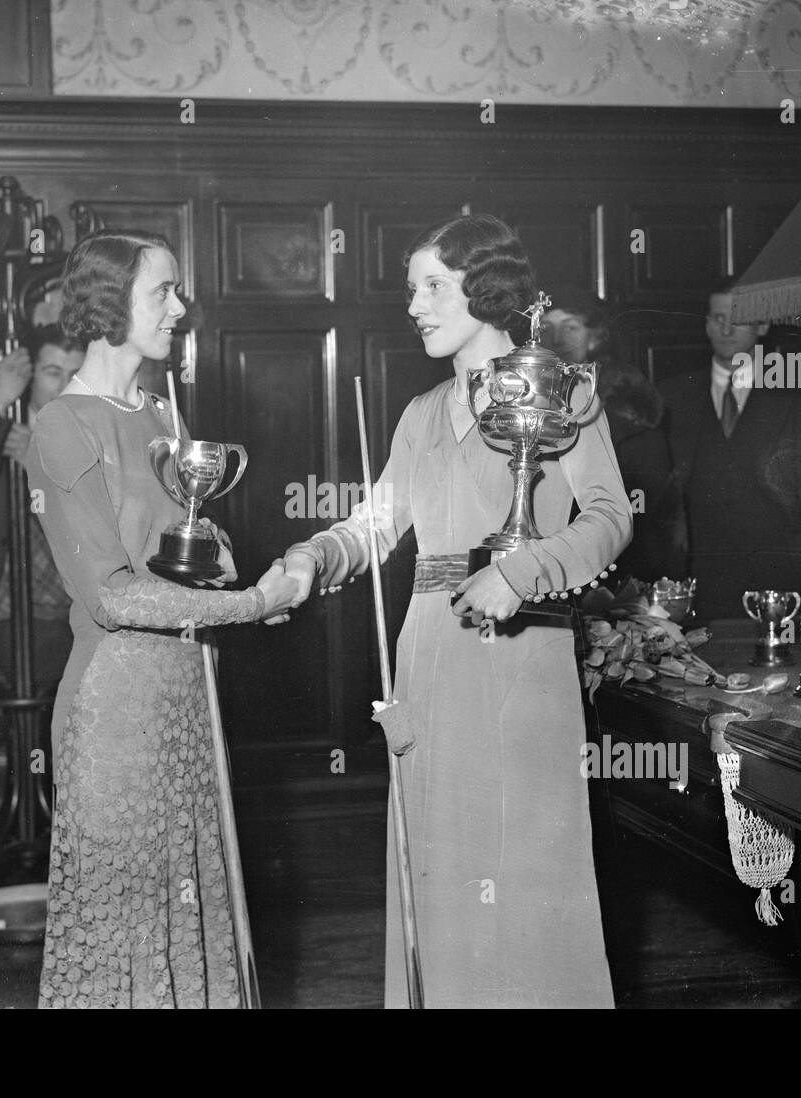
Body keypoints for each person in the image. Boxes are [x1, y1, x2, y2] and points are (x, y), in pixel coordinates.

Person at [274, 215, 631, 1007]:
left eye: (433, 285)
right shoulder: (421, 412)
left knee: (526, 878)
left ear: (487, 288)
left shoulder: (562, 390)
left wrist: (526, 571)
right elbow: (376, 524)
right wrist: (313, 557)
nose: (415, 305)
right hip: (429, 657)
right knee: (439, 876)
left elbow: (611, 518)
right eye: (411, 288)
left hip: (519, 656)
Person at [25, 229, 297, 1008]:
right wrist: (249, 606)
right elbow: (112, 594)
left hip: (191, 696)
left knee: (196, 919)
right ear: (110, 304)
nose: (182, 308)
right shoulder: (62, 424)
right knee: (127, 940)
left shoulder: (162, 415)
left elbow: (208, 560)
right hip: (116, 709)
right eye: (163, 292)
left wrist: (235, 574)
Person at [658, 286, 801, 620]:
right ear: (706, 324)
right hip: (695, 575)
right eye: (718, 318)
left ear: (763, 326)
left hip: (775, 576)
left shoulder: (795, 401)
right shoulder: (670, 396)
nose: (726, 329)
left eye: (739, 320)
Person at [0, 326, 83, 688]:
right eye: (53, 373)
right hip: (16, 615)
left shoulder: (97, 439)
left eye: (75, 374)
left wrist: (38, 472)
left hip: (81, 607)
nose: (64, 385)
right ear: (29, 378)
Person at [542, 284, 685, 583]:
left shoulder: (625, 407)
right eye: (546, 327)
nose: (556, 339)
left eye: (570, 327)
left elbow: (654, 510)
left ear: (595, 338)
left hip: (619, 563)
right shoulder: (526, 397)